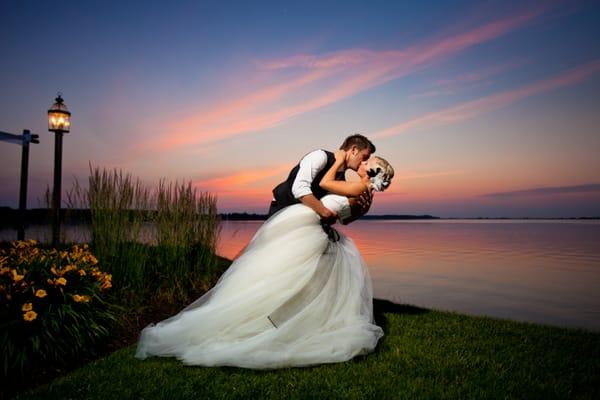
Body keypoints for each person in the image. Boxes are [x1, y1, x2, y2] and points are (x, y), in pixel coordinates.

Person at [135, 153, 394, 369]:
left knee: (286, 278)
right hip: (315, 227)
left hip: (311, 227)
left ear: (372, 173)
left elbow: (326, 183)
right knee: (295, 280)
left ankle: (271, 323)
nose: (363, 162)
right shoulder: (364, 194)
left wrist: (339, 160)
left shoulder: (359, 187)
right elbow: (346, 216)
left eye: (368, 163)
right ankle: (284, 321)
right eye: (364, 158)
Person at [268, 134, 376, 224]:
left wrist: (361, 212)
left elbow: (343, 220)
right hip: (282, 209)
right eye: (364, 157)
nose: (364, 163)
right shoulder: (320, 156)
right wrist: (324, 212)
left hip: (303, 220)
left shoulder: (341, 180)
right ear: (354, 150)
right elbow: (299, 188)